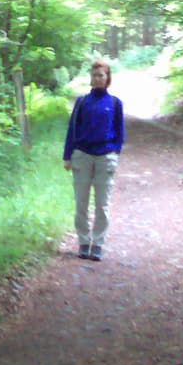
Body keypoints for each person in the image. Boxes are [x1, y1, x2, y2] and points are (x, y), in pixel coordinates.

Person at [63, 59, 124, 261]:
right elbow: (72, 130)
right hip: (82, 156)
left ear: (107, 78)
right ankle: (83, 241)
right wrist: (67, 156)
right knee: (81, 203)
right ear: (90, 78)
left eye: (101, 75)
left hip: (104, 158)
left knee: (102, 204)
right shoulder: (81, 103)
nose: (97, 79)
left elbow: (119, 134)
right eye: (94, 75)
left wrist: (113, 151)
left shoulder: (115, 103)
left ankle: (97, 243)